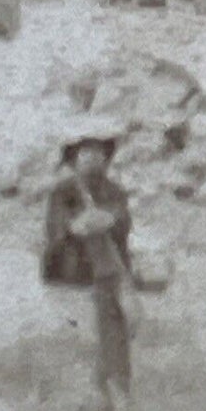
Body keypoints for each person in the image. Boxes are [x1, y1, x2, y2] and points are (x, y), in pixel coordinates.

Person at [42, 121, 134, 288]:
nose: (93, 157)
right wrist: (74, 225)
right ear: (75, 157)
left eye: (98, 151)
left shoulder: (114, 191)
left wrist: (109, 219)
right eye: (86, 152)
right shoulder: (62, 191)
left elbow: (123, 221)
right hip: (69, 273)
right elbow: (55, 226)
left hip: (107, 274)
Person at [70, 202, 140, 411]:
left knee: (112, 343)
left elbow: (115, 280)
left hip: (108, 288)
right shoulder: (105, 248)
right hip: (106, 288)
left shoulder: (100, 250)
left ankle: (113, 394)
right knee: (112, 343)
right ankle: (109, 392)